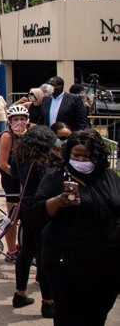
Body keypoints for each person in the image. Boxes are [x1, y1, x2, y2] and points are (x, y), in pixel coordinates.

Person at [33, 129, 120, 325]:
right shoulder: (56, 177)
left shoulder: (108, 177)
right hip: (70, 263)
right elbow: (38, 210)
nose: (81, 160)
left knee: (98, 313)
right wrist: (57, 202)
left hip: (108, 263)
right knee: (70, 315)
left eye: (86, 156)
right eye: (76, 155)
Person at [9, 125, 55, 318]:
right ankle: (48, 302)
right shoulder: (43, 162)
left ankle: (20, 294)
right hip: (40, 208)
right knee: (43, 256)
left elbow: (15, 177)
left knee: (26, 251)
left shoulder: (21, 156)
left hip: (25, 206)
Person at [0, 104, 30, 260]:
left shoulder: (27, 135)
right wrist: (20, 177)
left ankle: (22, 244)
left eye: (23, 119)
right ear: (9, 121)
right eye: (16, 119)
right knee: (13, 216)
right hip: (11, 180)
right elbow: (3, 163)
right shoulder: (7, 136)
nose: (20, 122)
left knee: (25, 214)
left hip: (26, 180)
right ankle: (11, 250)